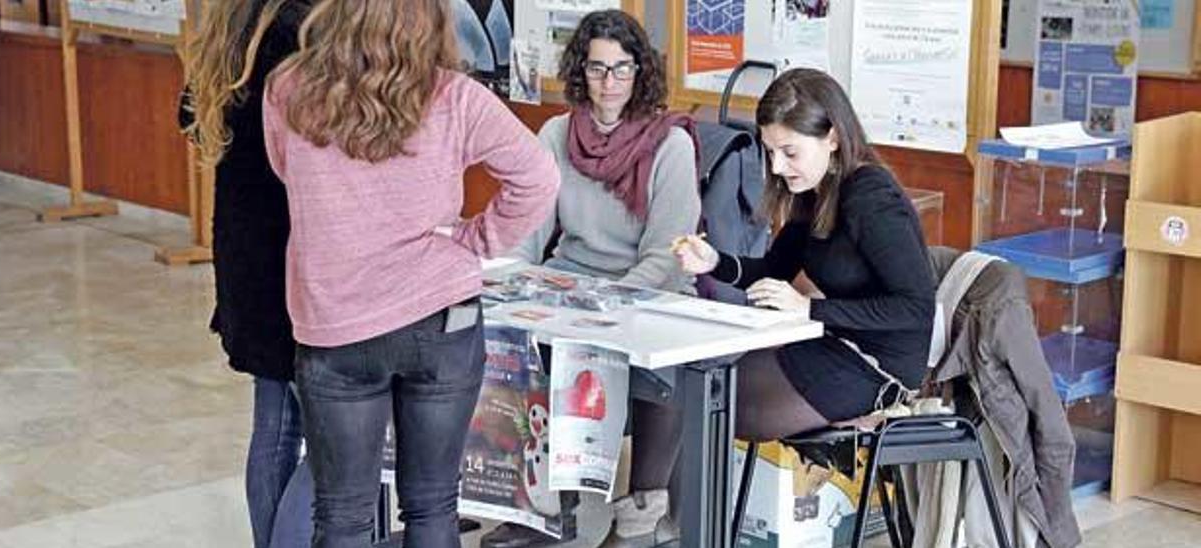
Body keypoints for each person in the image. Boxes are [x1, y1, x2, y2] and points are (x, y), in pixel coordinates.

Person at [262, 1, 560, 547]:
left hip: (336, 324)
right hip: (442, 316)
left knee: (343, 516)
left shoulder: (287, 88)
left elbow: (288, 173)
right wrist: (478, 240)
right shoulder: (455, 96)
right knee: (433, 508)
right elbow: (539, 177)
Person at [482, 10, 700, 548]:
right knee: (508, 344)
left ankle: (641, 518)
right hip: (570, 284)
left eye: (621, 69)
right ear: (581, 72)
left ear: (640, 73)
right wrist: (506, 278)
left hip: (649, 288)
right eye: (598, 69)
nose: (609, 84)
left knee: (661, 365)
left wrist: (609, 303)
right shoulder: (557, 133)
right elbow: (529, 229)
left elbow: (668, 254)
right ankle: (544, 506)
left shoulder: (670, 145)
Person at [674, 68, 935, 442]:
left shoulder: (871, 198)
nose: (777, 167)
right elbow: (774, 269)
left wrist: (808, 309)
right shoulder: (814, 188)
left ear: (831, 138)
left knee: (716, 404)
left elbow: (916, 307)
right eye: (770, 151)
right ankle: (662, 500)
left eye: (789, 152)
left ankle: (672, 501)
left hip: (879, 367)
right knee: (700, 384)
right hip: (835, 343)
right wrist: (714, 261)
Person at [181, 1, 313, 546]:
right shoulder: (301, 30)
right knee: (331, 436)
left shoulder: (231, 25)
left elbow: (190, 120)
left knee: (275, 422)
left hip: (245, 246)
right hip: (297, 248)